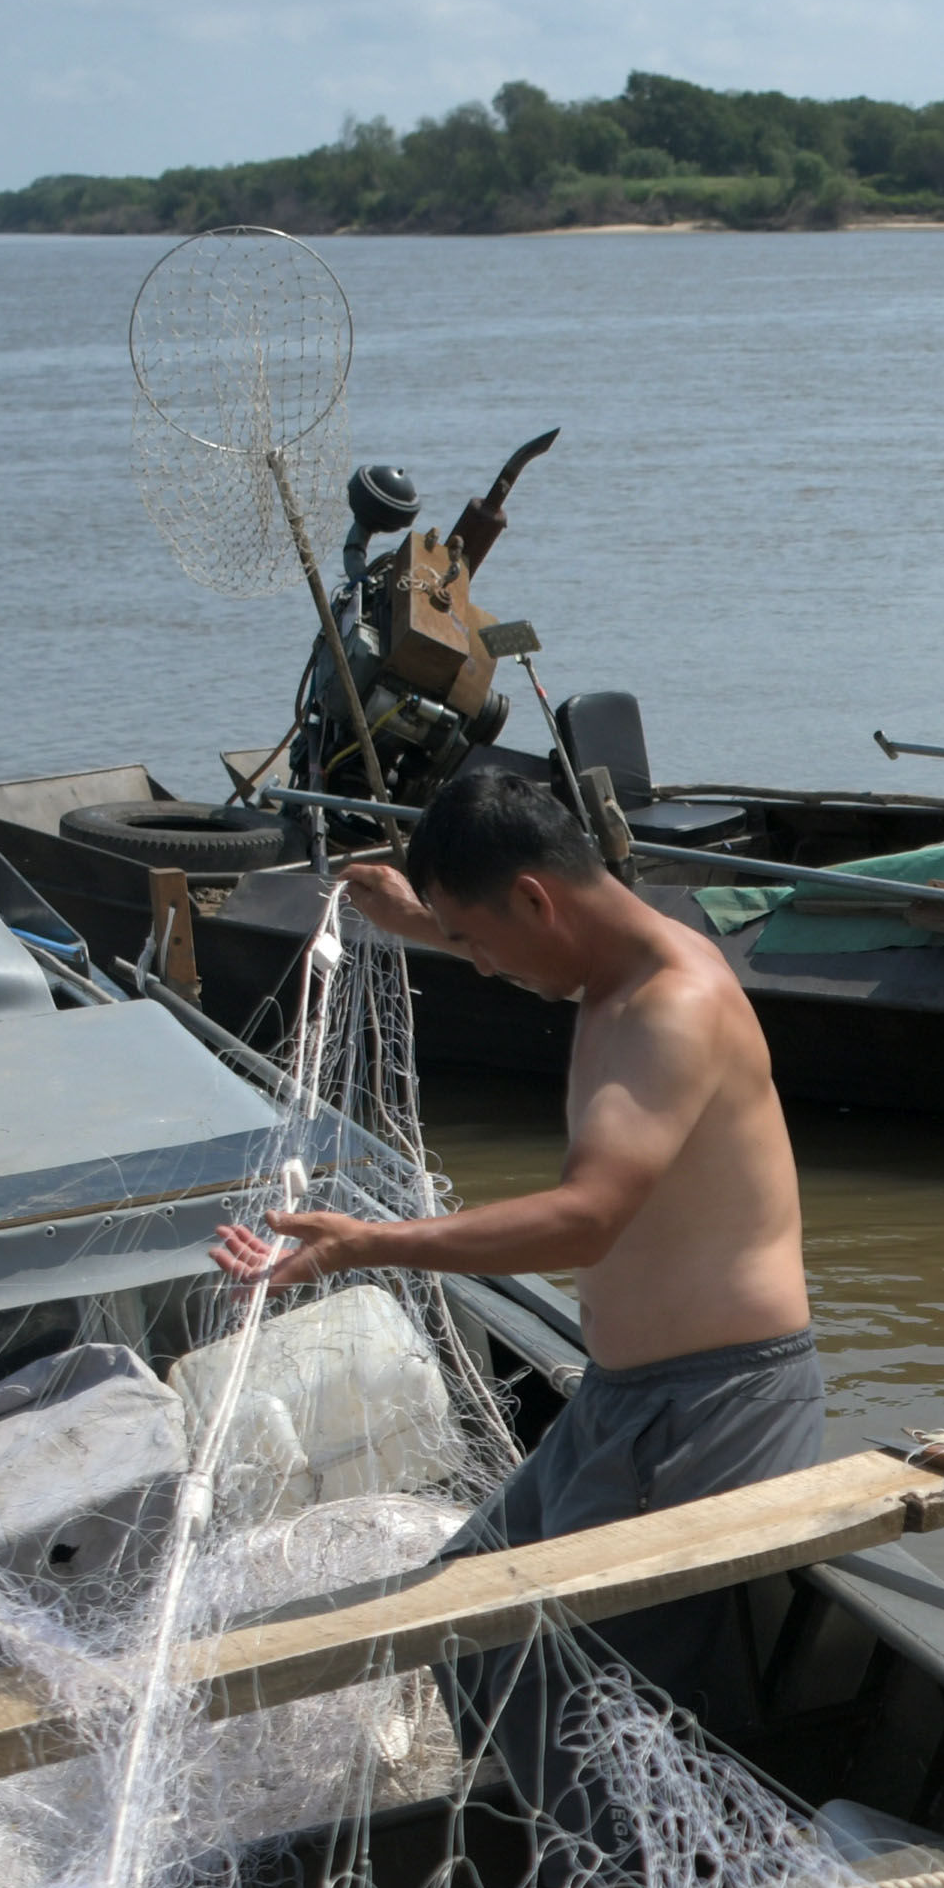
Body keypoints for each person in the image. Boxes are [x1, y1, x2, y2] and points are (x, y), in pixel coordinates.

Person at [216, 760, 826, 1821]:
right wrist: (423, 921)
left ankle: (611, 1887)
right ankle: (577, 1848)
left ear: (538, 899)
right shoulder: (602, 966)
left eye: (479, 939)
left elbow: (586, 1216)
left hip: (714, 1405)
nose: (483, 969)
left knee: (576, 1676)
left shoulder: (670, 1007)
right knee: (466, 1614)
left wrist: (369, 1244)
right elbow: (526, 951)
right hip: (622, 1400)